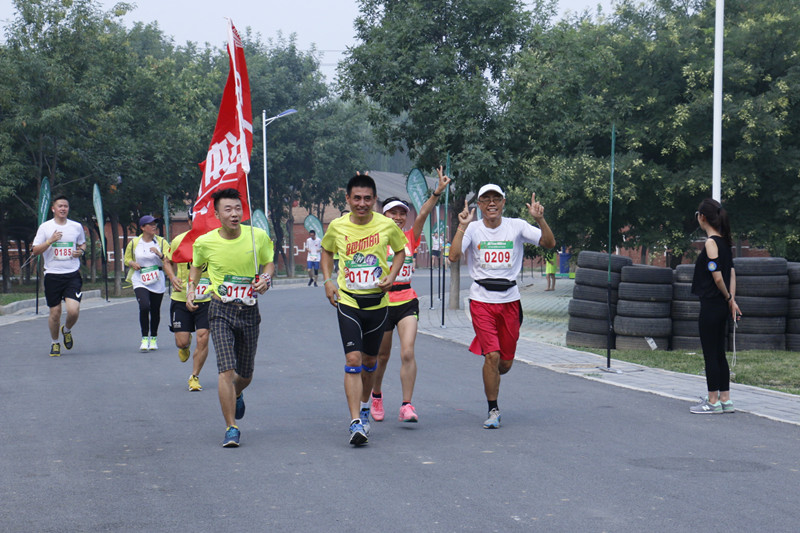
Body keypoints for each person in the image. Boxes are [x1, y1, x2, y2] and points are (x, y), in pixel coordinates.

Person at [448, 184, 555, 429]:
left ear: (504, 202)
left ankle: (495, 371)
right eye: (486, 199)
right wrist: (462, 226)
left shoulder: (516, 226)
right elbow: (453, 256)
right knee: (492, 356)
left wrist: (540, 220)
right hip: (481, 300)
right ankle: (493, 409)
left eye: (497, 198)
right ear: (480, 204)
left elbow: (549, 243)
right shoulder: (473, 229)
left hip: (510, 301)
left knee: (504, 363)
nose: (492, 203)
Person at [320, 173, 407, 446]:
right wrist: (328, 280)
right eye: (356, 198)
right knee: (354, 360)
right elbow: (326, 251)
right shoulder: (337, 226)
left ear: (374, 200)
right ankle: (355, 421)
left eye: (367, 198)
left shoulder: (386, 225)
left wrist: (392, 275)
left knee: (371, 362)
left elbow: (401, 250)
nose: (362, 203)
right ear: (347, 199)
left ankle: (366, 405)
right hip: (349, 301)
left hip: (378, 303)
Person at [187, 188, 274, 448]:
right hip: (220, 309)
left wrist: (266, 278)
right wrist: (191, 289)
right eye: (228, 209)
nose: (234, 213)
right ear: (217, 214)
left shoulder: (257, 237)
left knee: (244, 374)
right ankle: (231, 427)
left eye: (238, 208)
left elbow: (269, 263)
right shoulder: (205, 242)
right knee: (226, 370)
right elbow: (196, 266)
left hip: (248, 310)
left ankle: (236, 393)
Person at [370, 166, 451, 424]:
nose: (397, 216)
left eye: (401, 213)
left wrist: (437, 191)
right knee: (381, 356)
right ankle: (376, 395)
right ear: (383, 215)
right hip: (381, 303)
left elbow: (424, 212)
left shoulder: (410, 237)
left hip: (406, 300)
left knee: (407, 353)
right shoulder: (373, 239)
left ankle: (406, 405)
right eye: (392, 212)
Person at [689, 198, 741, 414]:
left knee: (710, 353)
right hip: (721, 305)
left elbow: (718, 278)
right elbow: (732, 274)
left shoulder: (711, 243)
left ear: (702, 217)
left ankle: (712, 401)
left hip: (711, 305)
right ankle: (725, 399)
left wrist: (729, 298)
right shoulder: (726, 243)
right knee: (720, 352)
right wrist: (731, 300)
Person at [31, 195, 87, 357]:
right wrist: (50, 241)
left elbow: (82, 243)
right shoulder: (45, 227)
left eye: (66, 206)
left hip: (72, 275)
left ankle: (67, 330)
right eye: (60, 206)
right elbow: (34, 251)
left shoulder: (76, 227)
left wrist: (81, 251)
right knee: (55, 313)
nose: (63, 209)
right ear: (53, 209)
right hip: (52, 276)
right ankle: (55, 343)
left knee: (73, 310)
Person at [163, 212, 210, 391]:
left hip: (205, 297)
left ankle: (194, 376)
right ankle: (185, 345)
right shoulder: (179, 240)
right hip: (181, 297)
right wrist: (172, 277)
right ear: (189, 221)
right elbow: (167, 261)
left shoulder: (213, 241)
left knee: (203, 337)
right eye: (195, 220)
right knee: (182, 342)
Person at [124, 215, 171, 352]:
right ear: (143, 228)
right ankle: (145, 338)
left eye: (154, 224)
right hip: (140, 278)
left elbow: (170, 259)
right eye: (150, 224)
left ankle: (154, 338)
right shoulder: (134, 243)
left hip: (157, 278)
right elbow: (127, 259)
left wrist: (160, 254)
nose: (153, 226)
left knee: (155, 310)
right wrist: (132, 263)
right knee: (144, 306)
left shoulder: (161, 242)